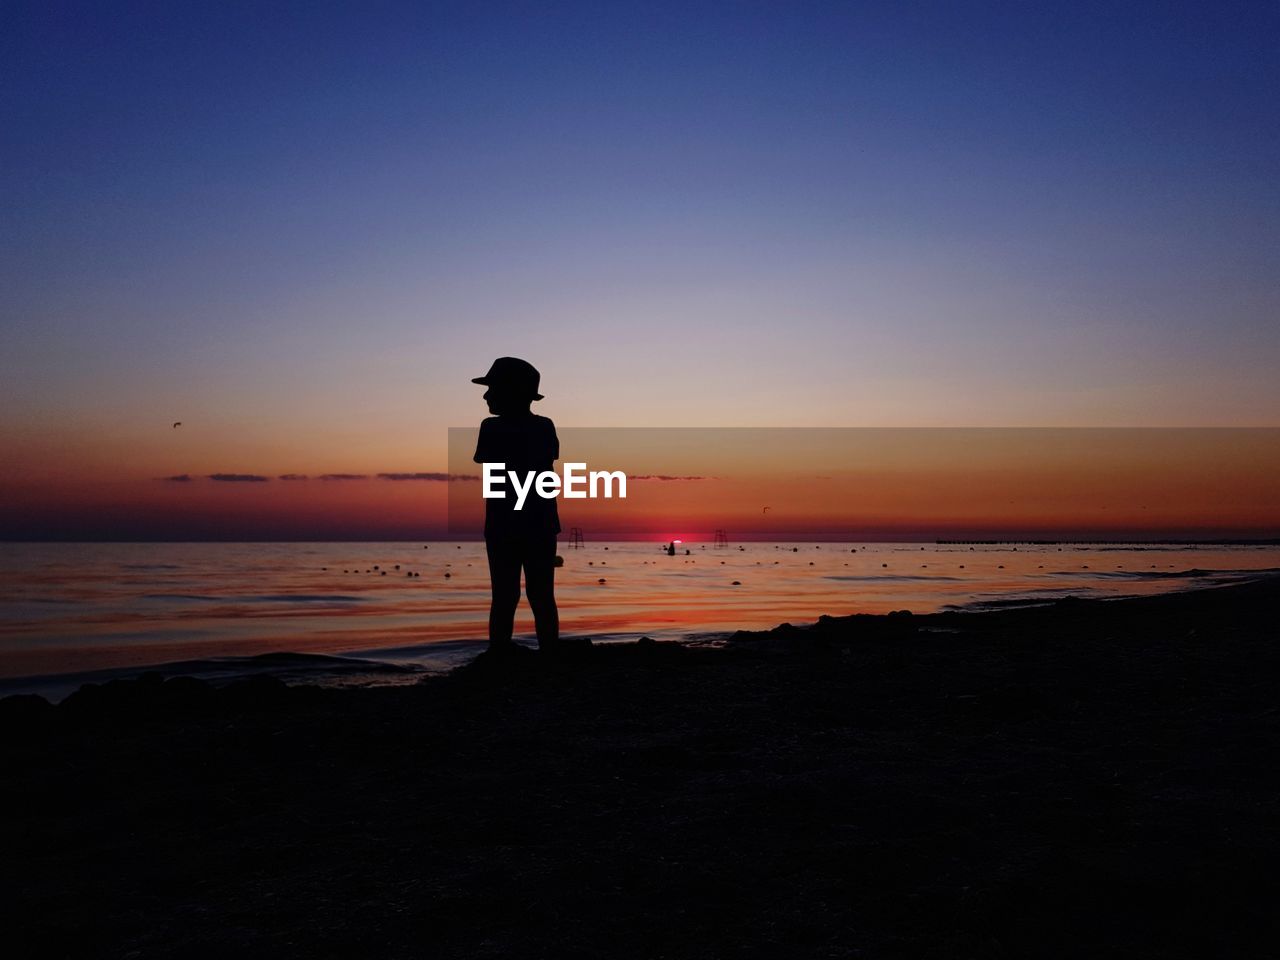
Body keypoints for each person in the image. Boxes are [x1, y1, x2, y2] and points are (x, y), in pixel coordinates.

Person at [471, 357, 560, 654]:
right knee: (541, 594)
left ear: (510, 392)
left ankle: (499, 653)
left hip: (504, 523)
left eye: (491, 389)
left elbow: (496, 472)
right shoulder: (544, 427)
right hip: (539, 521)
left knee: (505, 595)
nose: (486, 396)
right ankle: (549, 653)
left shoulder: (491, 428)